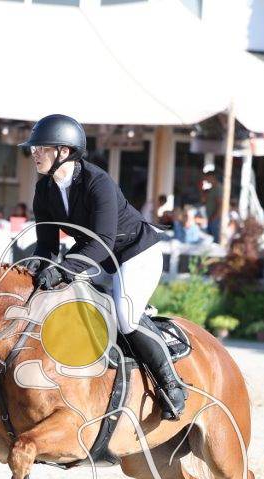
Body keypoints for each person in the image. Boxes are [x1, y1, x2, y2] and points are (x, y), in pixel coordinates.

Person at [19, 113, 185, 419]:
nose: (35, 153)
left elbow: (103, 241)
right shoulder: (44, 190)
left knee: (125, 317)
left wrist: (63, 270)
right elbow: (47, 246)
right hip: (98, 259)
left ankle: (171, 383)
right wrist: (33, 271)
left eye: (41, 148)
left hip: (135, 254)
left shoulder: (98, 183)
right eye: (34, 148)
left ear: (64, 151)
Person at [200, 167, 223, 243]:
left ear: (212, 177)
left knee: (215, 241)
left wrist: (214, 217)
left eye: (207, 177)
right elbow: (204, 201)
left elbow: (220, 204)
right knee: (210, 239)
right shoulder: (211, 189)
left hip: (215, 219)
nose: (206, 179)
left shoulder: (218, 188)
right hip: (210, 218)